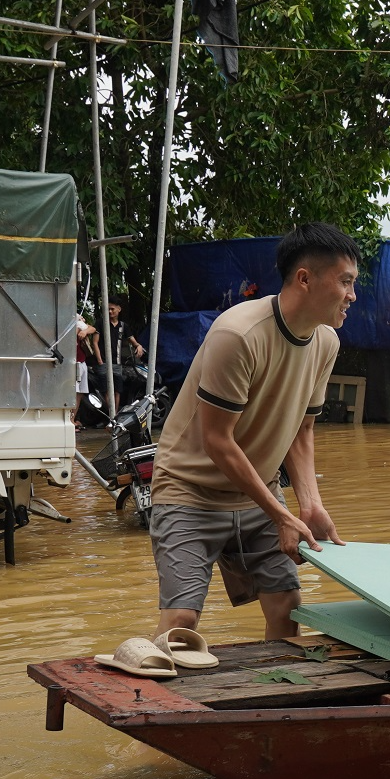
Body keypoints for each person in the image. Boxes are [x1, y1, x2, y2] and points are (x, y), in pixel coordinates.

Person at [147, 224, 359, 643]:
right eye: (346, 282)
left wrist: (309, 505)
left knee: (289, 609)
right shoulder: (238, 334)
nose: (353, 295)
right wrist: (282, 516)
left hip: (258, 490)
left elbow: (302, 431)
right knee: (181, 622)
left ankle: (275, 697)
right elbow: (217, 441)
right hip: (190, 490)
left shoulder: (326, 343)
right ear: (304, 278)